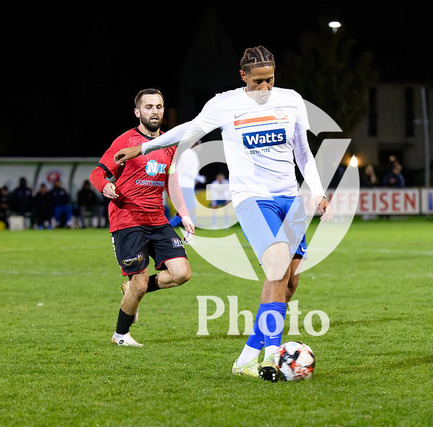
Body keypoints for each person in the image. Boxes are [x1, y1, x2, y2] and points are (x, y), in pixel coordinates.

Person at [114, 46, 332, 381]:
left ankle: (245, 358)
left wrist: (316, 190)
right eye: (257, 81)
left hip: (291, 200)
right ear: (243, 76)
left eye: (270, 80)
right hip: (253, 199)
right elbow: (187, 130)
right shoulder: (224, 104)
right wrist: (143, 147)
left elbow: (302, 151)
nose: (265, 88)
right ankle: (272, 356)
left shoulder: (291, 100)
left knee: (287, 285)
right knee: (276, 267)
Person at [89, 88, 195, 347]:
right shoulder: (125, 141)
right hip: (127, 219)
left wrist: (184, 214)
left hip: (157, 219)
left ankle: (133, 289)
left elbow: (171, 181)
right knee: (139, 281)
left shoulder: (168, 143)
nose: (155, 111)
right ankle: (120, 335)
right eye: (149, 107)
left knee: (181, 273)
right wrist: (105, 185)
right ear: (137, 112)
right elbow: (98, 173)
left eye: (159, 106)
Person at [168, 141, 205, 228]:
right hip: (186, 185)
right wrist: (199, 178)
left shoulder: (186, 153)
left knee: (186, 208)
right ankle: (170, 225)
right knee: (190, 208)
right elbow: (187, 171)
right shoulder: (191, 154)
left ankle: (186, 226)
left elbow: (180, 169)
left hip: (182, 184)